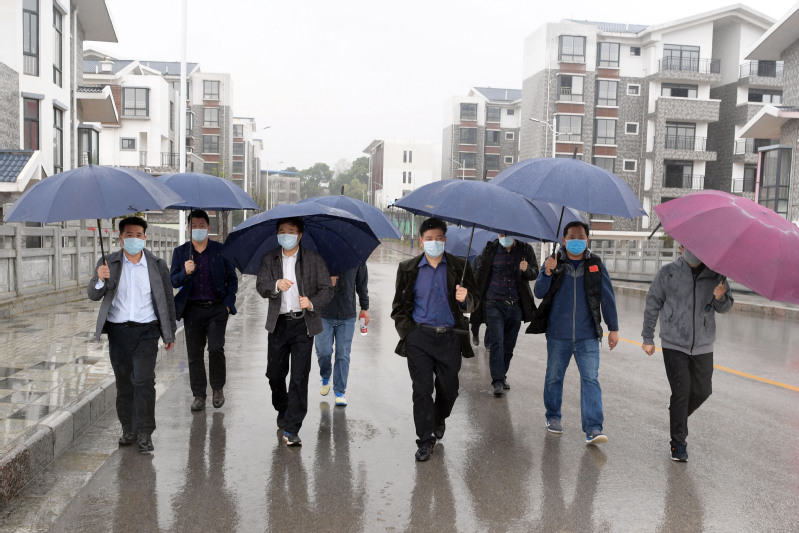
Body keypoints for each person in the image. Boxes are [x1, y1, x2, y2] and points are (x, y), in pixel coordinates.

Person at [391, 218, 479, 462]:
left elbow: (475, 302)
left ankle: (439, 418)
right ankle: (425, 440)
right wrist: (409, 333)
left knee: (449, 390)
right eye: (429, 239)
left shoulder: (460, 267)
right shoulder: (408, 269)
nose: (434, 242)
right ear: (421, 241)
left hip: (450, 338)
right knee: (421, 390)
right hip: (419, 338)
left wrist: (465, 298)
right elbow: (398, 307)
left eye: (438, 238)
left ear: (445, 240)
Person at [88, 216, 176, 454]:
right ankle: (129, 428)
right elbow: (93, 294)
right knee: (125, 384)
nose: (134, 239)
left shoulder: (157, 264)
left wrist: (169, 334)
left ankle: (145, 432)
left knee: (144, 381)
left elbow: (167, 300)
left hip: (147, 331)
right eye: (129, 235)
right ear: (121, 238)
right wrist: (100, 278)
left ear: (145, 237)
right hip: (118, 332)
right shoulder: (109, 263)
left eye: (139, 235)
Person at [641, 244, 732, 462]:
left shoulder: (716, 275)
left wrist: (721, 297)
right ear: (681, 247)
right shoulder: (668, 272)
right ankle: (678, 444)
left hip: (703, 344)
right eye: (688, 245)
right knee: (681, 392)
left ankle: (677, 411)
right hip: (674, 343)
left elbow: (726, 307)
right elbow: (653, 303)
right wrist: (648, 338)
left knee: (703, 391)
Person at [533, 221, 619, 445]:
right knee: (554, 377)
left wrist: (613, 328)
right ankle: (553, 416)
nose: (577, 241)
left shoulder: (595, 264)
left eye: (581, 237)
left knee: (591, 379)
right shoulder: (554, 261)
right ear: (564, 240)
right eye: (572, 237)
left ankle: (593, 428)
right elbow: (539, 292)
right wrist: (547, 272)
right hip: (558, 334)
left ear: (587, 240)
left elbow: (607, 297)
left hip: (587, 335)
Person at [256, 217, 333, 447]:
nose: (286, 235)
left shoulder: (313, 259)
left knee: (299, 377)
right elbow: (261, 285)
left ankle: (292, 428)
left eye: (290, 231)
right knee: (274, 374)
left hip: (303, 325)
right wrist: (275, 285)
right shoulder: (269, 259)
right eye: (281, 231)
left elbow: (327, 290)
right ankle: (283, 408)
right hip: (278, 324)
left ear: (300, 235)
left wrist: (311, 302)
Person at [170, 209, 238, 412]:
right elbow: (173, 281)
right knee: (194, 354)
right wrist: (185, 272)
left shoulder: (221, 250)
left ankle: (218, 389)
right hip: (192, 310)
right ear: (188, 228)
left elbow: (232, 280)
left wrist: (227, 305)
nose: (198, 229)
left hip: (217, 308)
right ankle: (199, 395)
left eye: (202, 225)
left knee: (216, 349)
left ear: (208, 228)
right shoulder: (181, 252)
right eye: (194, 226)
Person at [474, 234, 538, 396]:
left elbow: (534, 273)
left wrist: (526, 270)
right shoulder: (490, 249)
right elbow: (481, 273)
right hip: (493, 303)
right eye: (501, 235)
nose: (504, 238)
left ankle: (502, 375)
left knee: (509, 345)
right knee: (497, 341)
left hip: (515, 305)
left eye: (507, 235)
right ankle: (497, 381)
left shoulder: (525, 250)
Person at [315, 264, 369, 407]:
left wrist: (364, 308)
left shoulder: (357, 259)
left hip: (347, 315)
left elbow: (362, 285)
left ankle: (339, 392)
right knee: (324, 351)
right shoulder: (320, 257)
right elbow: (309, 282)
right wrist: (326, 282)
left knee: (343, 355)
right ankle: (325, 376)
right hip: (323, 314)